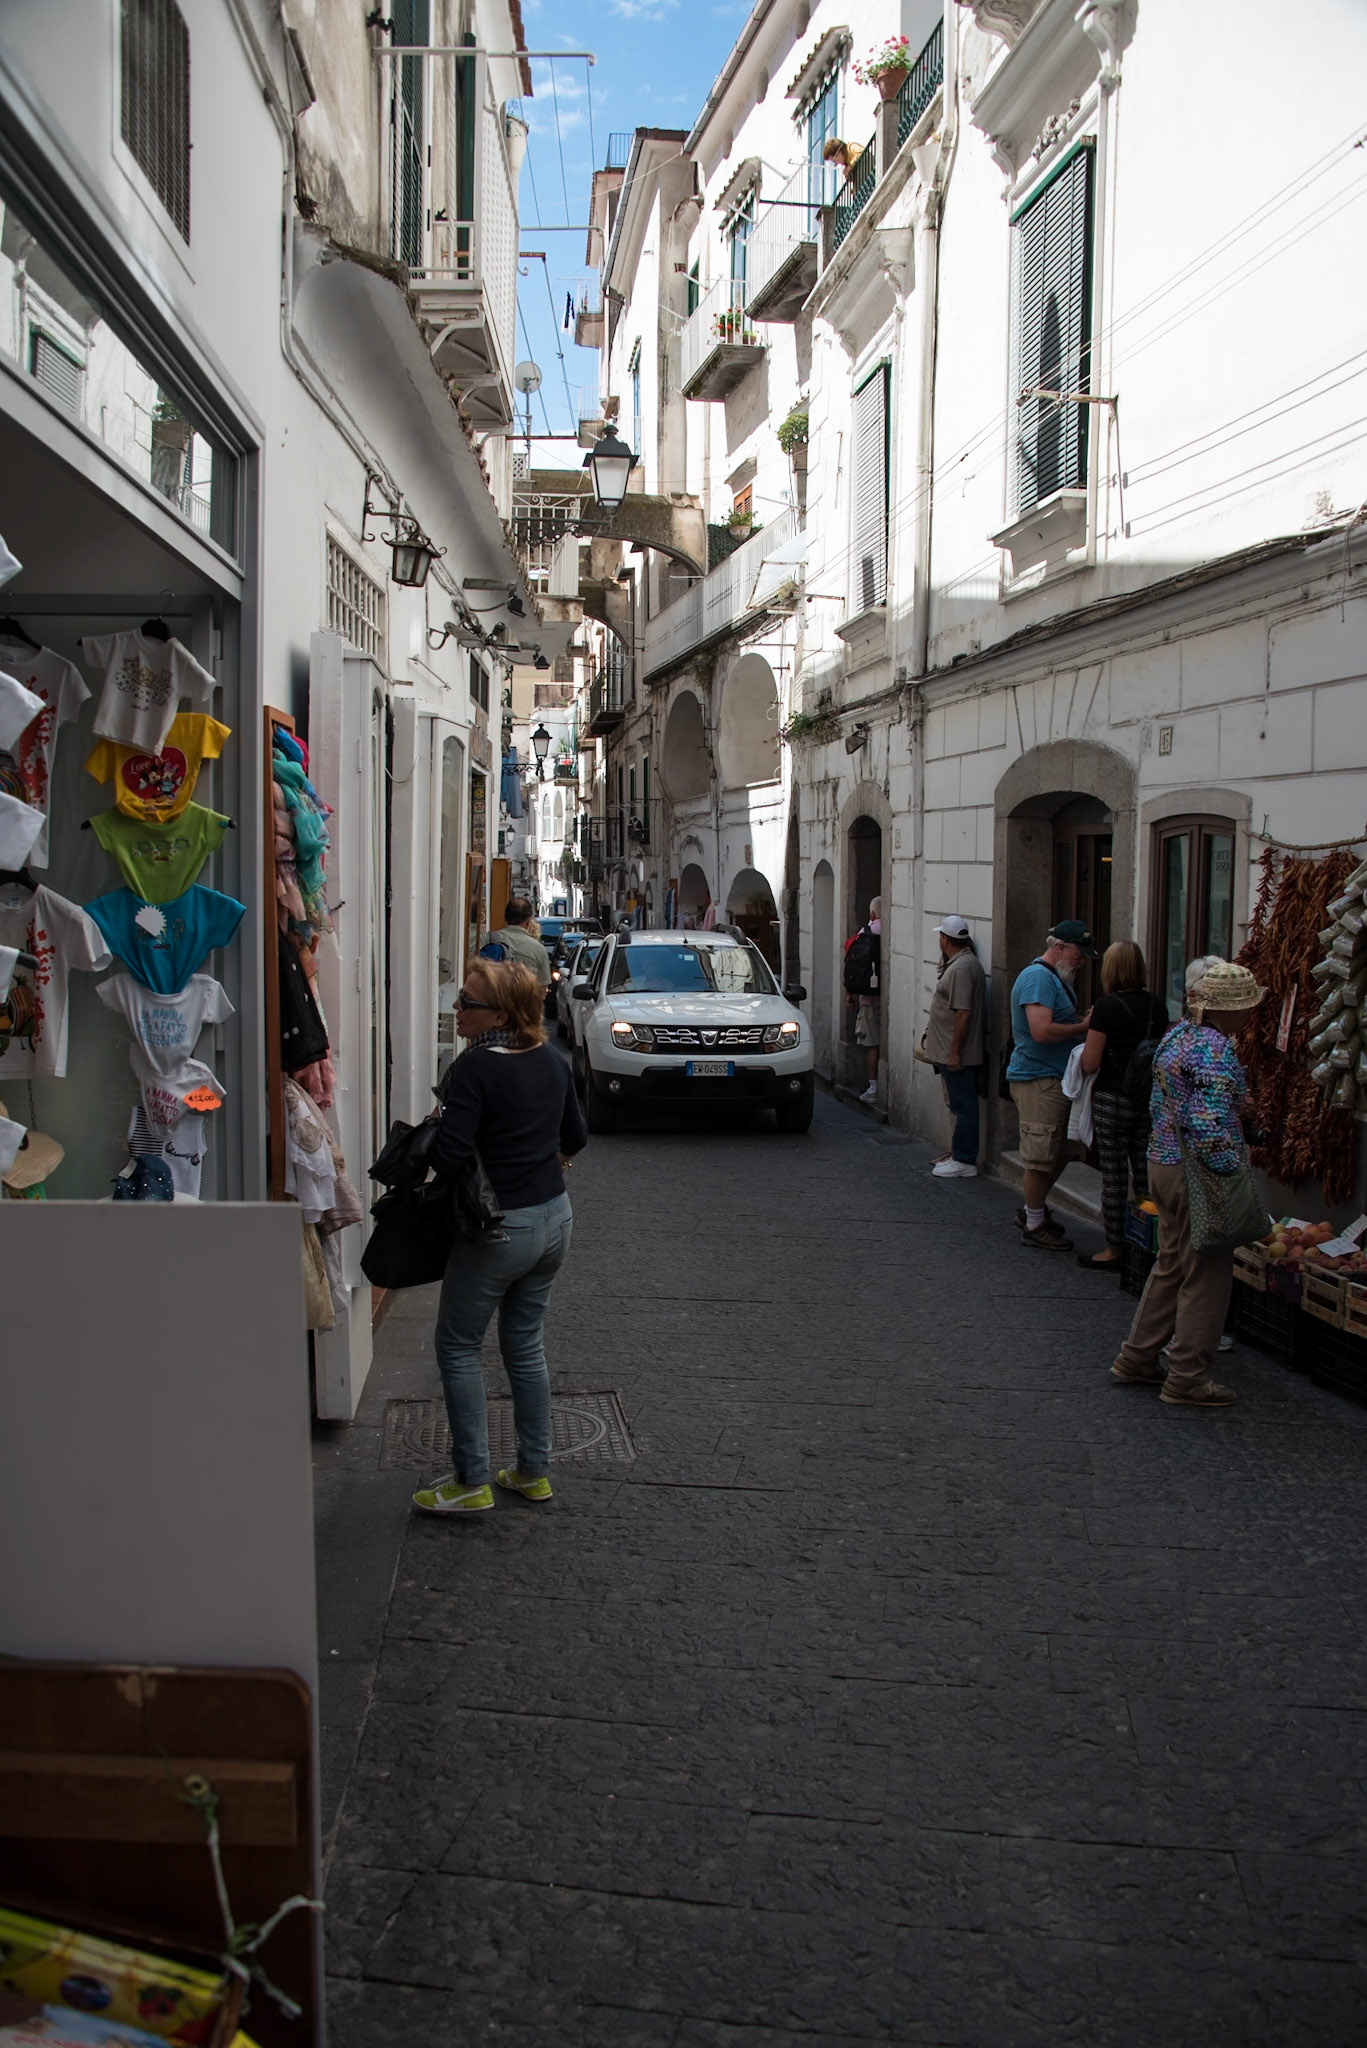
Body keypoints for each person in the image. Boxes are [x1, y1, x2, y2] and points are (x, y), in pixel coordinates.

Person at [413, 957, 587, 1514]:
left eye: (467, 1002)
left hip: (499, 1228)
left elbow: (450, 1155)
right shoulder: (552, 1059)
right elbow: (576, 1136)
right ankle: (533, 1471)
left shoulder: (475, 1069)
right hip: (553, 1219)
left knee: (458, 1346)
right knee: (525, 1344)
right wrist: (543, 1160)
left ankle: (471, 1481)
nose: (457, 1008)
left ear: (500, 1015)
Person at [1111, 958, 1265, 1407]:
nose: (1250, 1015)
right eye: (1248, 1007)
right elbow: (1206, 1121)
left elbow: (1173, 1100)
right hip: (1196, 1171)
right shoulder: (1215, 1048)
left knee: (1172, 1263)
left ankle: (1137, 1355)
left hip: (1161, 1162)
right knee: (1207, 1275)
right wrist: (1229, 1170)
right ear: (1231, 1009)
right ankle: (1187, 1376)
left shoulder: (1177, 1036)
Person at [1075, 940, 1168, 1269]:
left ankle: (1115, 1248)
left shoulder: (1106, 1008)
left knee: (1114, 1175)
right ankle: (1149, 1244)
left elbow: (1090, 1062)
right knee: (1144, 1173)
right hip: (1147, 1098)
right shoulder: (1158, 1005)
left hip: (1113, 1097)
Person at [1006, 920, 1095, 1250]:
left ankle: (1034, 1210)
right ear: (1059, 947)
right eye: (1078, 953)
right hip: (1039, 1079)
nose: (1082, 961)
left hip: (1053, 1079)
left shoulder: (1054, 978)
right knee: (1040, 1156)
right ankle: (1033, 1223)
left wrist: (1078, 1023)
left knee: (1059, 1151)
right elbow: (1041, 1031)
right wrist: (1083, 1027)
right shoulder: (1038, 978)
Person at [923, 914, 987, 1179]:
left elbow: (963, 1012)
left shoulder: (961, 969)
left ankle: (964, 1159)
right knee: (960, 1105)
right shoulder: (963, 963)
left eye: (940, 936)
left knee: (964, 1107)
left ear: (945, 940)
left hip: (958, 1054)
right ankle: (958, 1154)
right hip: (953, 1051)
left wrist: (953, 1052)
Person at [845, 895, 883, 1106]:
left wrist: (849, 994)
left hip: (868, 998)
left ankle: (873, 1088)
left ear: (872, 913)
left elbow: (851, 965)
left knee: (871, 1042)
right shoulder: (891, 931)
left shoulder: (865, 933)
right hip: (886, 998)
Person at [484, 895, 550, 990]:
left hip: (493, 997)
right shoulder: (539, 950)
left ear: (506, 917)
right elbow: (542, 988)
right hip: (524, 998)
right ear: (528, 921)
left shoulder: (488, 938)